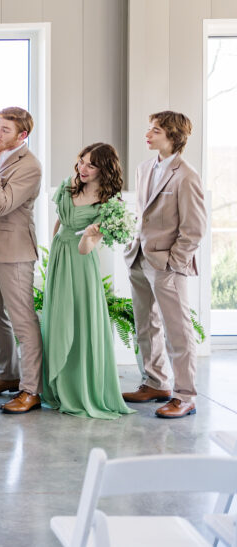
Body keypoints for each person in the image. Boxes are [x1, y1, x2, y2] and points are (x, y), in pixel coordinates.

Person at [122, 111, 207, 418]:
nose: (148, 134)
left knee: (178, 331)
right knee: (145, 325)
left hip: (167, 264)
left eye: (155, 130)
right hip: (138, 257)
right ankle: (156, 382)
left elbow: (194, 228)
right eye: (149, 129)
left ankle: (185, 396)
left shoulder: (186, 175)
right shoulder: (145, 168)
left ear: (173, 136)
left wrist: (174, 262)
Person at [41, 143, 133, 419]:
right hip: (60, 256)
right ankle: (57, 384)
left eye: (91, 165)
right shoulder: (69, 185)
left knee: (80, 319)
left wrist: (89, 236)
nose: (82, 168)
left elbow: (87, 247)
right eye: (81, 161)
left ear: (104, 169)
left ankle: (81, 388)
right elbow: (59, 223)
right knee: (58, 318)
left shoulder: (109, 202)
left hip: (81, 263)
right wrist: (52, 254)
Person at [0, 106, 44, 414]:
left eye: (5, 130)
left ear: (23, 135)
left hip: (14, 252)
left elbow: (2, 205)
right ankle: (7, 375)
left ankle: (30, 390)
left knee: (23, 321)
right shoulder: (0, 157)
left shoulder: (30, 166)